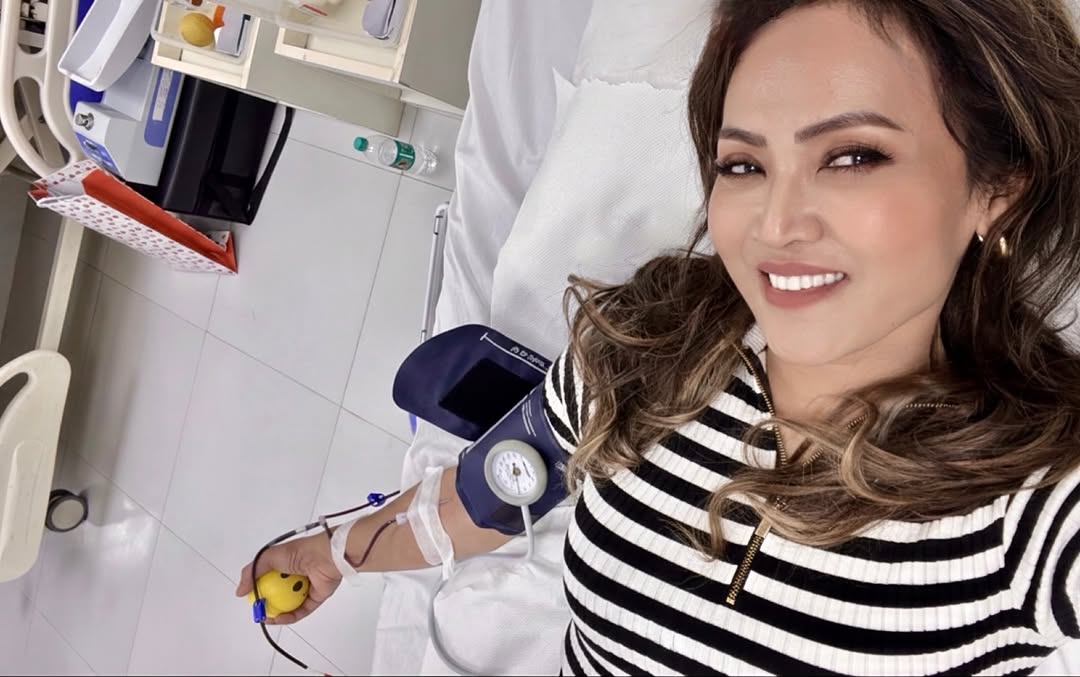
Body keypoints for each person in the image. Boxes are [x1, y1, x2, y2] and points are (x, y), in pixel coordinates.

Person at [237, 0, 1080, 673]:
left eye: (853, 156)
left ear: (995, 189)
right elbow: (491, 492)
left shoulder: (1035, 508)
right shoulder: (652, 350)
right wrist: (335, 552)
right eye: (744, 165)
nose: (776, 224)